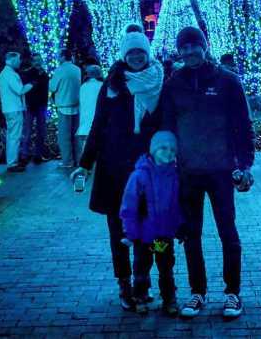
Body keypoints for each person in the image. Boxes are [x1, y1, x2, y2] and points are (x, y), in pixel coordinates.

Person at [160, 26, 255, 319]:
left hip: (222, 171)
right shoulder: (174, 83)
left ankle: (232, 294)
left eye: (194, 46)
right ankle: (197, 292)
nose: (189, 51)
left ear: (204, 46)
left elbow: (243, 125)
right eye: (184, 47)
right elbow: (167, 126)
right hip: (188, 172)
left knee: (228, 232)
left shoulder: (227, 81)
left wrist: (245, 165)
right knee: (191, 235)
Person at [72, 24, 164, 311]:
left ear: (147, 53)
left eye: (141, 51)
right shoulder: (112, 84)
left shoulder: (160, 81)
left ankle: (142, 282)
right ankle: (124, 283)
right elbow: (97, 126)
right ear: (125, 54)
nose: (136, 56)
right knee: (119, 231)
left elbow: (168, 124)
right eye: (131, 51)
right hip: (114, 170)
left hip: (147, 169)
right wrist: (85, 164)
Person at [119, 131, 182, 316]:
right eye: (163, 148)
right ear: (153, 150)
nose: (168, 152)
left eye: (172, 149)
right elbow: (129, 207)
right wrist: (130, 233)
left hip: (162, 235)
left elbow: (178, 205)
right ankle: (140, 296)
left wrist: (179, 226)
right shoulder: (139, 175)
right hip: (143, 236)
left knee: (165, 267)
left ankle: (169, 298)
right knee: (142, 267)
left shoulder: (175, 174)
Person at [0, 52, 33, 172]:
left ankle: (12, 162)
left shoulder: (5, 73)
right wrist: (31, 85)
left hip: (9, 109)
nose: (20, 62)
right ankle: (12, 164)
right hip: (14, 109)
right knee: (14, 136)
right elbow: (20, 90)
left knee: (11, 136)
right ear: (12, 60)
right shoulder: (10, 74)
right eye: (18, 60)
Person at [49, 49, 81, 169]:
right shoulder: (77, 69)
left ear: (63, 57)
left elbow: (52, 87)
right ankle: (78, 159)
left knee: (64, 136)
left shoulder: (60, 70)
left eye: (59, 56)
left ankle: (67, 161)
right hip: (77, 106)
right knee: (76, 135)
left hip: (63, 107)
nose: (58, 58)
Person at [21, 53, 50, 164]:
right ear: (32, 62)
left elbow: (45, 90)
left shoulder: (44, 74)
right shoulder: (28, 73)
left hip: (41, 106)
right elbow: (27, 89)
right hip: (30, 106)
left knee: (41, 131)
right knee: (27, 131)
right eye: (35, 60)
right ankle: (24, 156)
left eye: (39, 60)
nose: (37, 62)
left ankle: (38, 155)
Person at [75, 65, 103, 156]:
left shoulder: (83, 86)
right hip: (98, 122)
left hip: (84, 123)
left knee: (85, 146)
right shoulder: (102, 86)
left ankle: (84, 166)